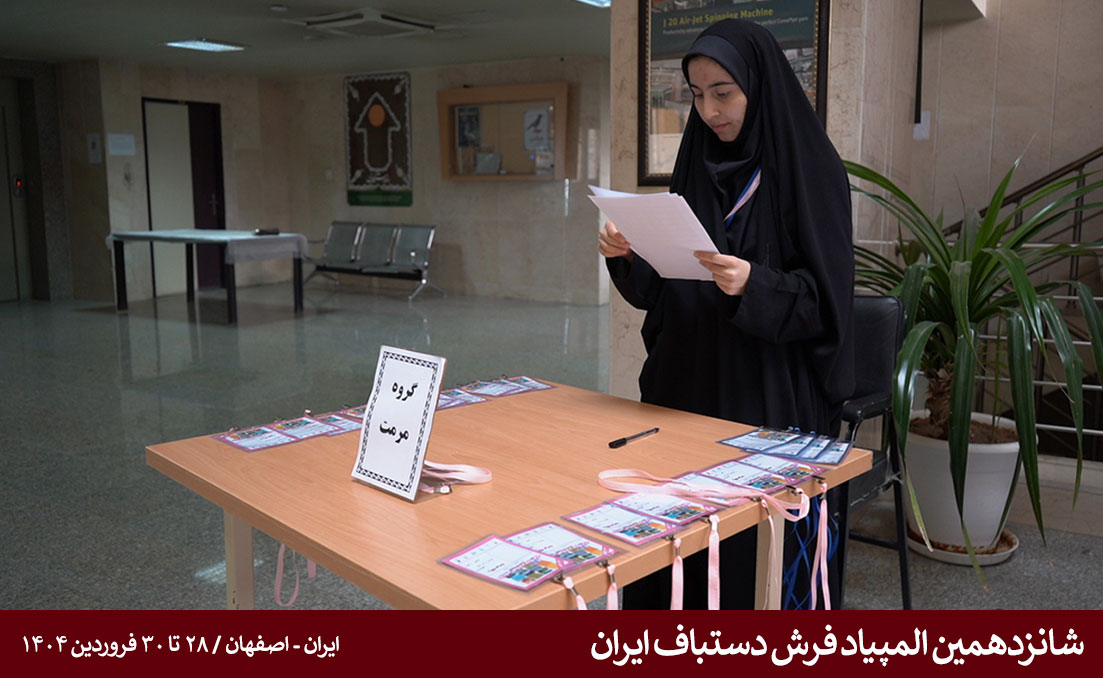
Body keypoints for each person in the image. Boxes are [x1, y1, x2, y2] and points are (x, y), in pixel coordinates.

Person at [599, 19, 855, 609]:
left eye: (723, 92)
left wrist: (754, 284)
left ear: (758, 86)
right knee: (669, 548)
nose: (708, 110)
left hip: (765, 392)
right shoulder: (696, 165)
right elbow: (669, 290)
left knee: (744, 562)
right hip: (687, 383)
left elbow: (826, 301)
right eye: (696, 94)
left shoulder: (811, 171)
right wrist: (629, 257)